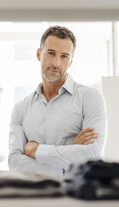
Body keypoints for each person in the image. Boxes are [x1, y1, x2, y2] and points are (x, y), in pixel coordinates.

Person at [8, 25, 107, 179]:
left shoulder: (90, 98)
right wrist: (67, 162)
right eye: (51, 53)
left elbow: (91, 155)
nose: (56, 63)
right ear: (39, 54)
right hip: (35, 198)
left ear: (71, 61)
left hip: (78, 198)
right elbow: (14, 162)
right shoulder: (20, 108)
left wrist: (36, 151)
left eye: (64, 56)